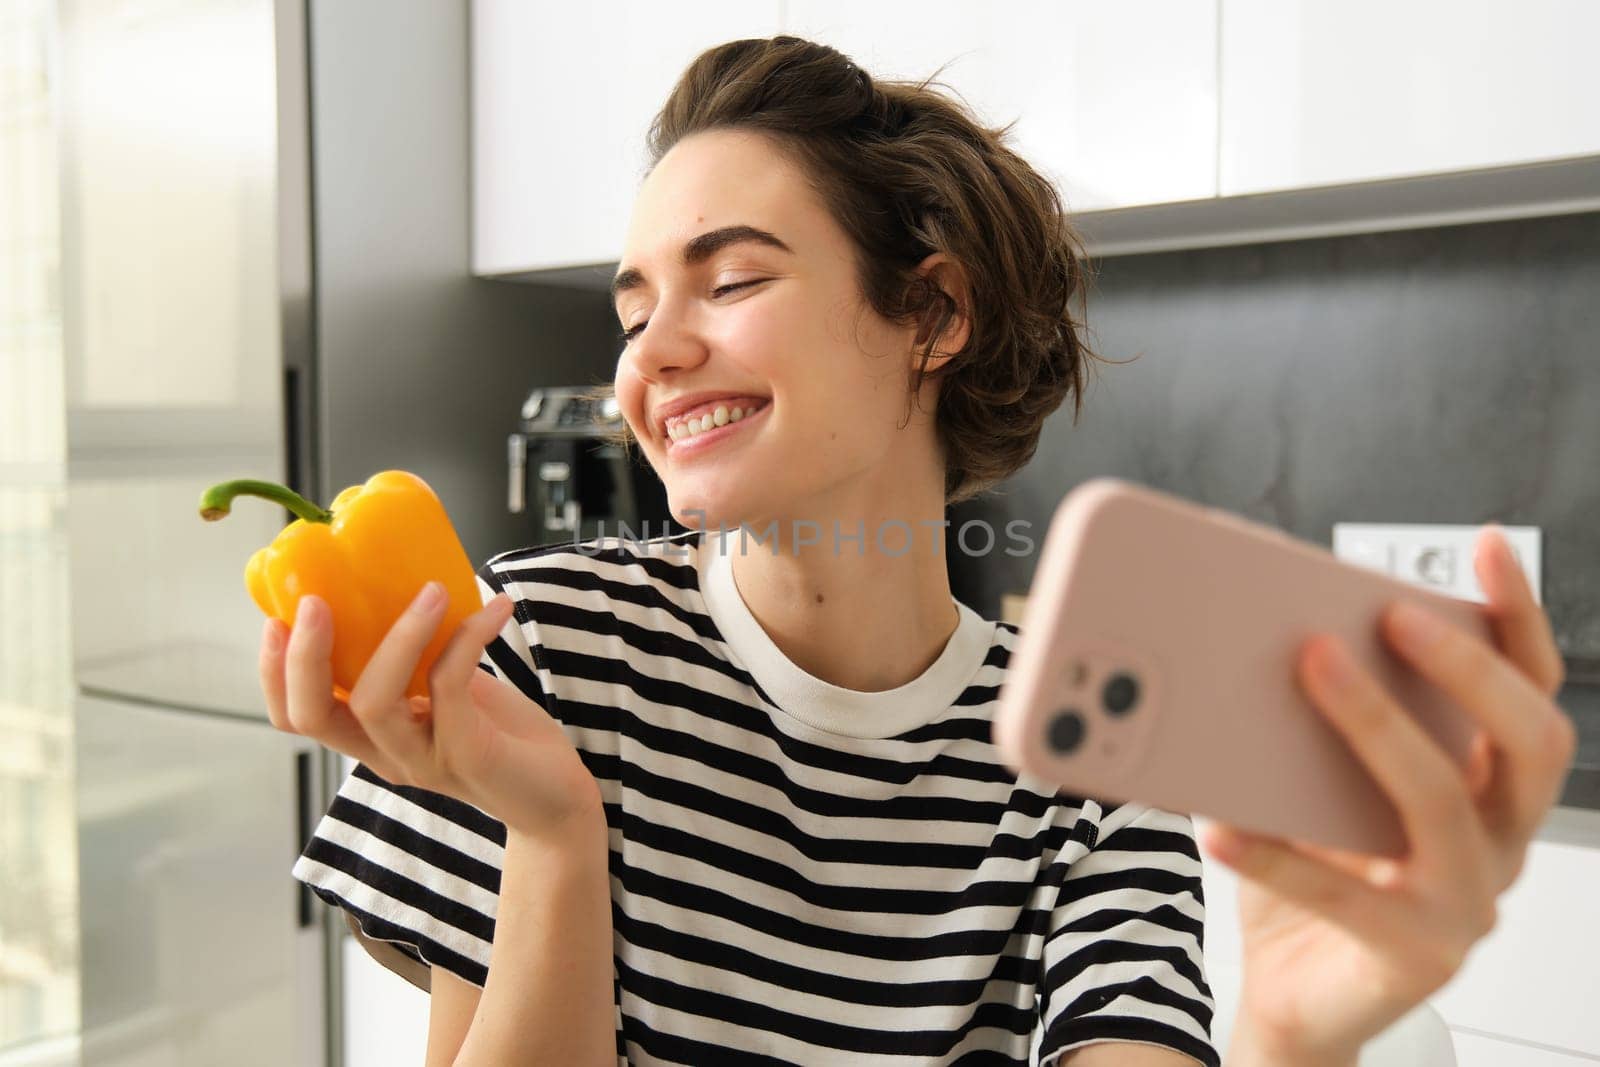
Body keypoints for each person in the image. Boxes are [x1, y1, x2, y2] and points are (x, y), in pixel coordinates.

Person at [267, 35, 1575, 1067]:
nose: (649, 356)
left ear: (932, 314)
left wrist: (1289, 1047)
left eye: (728, 284)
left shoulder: (1089, 755)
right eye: (634, 306)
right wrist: (556, 838)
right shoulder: (540, 651)